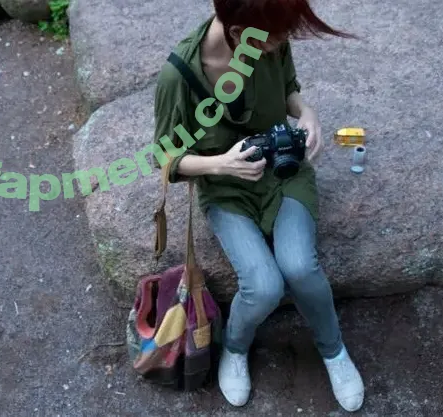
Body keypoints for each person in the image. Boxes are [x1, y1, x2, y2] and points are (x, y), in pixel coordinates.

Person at [153, 0, 365, 412]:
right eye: (277, 37)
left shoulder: (266, 36)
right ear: (239, 34)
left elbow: (289, 91)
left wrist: (307, 113)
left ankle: (334, 350)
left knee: (300, 267)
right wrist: (220, 164)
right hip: (226, 189)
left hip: (284, 172)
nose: (283, 41)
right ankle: (235, 348)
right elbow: (164, 156)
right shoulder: (177, 76)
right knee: (264, 286)